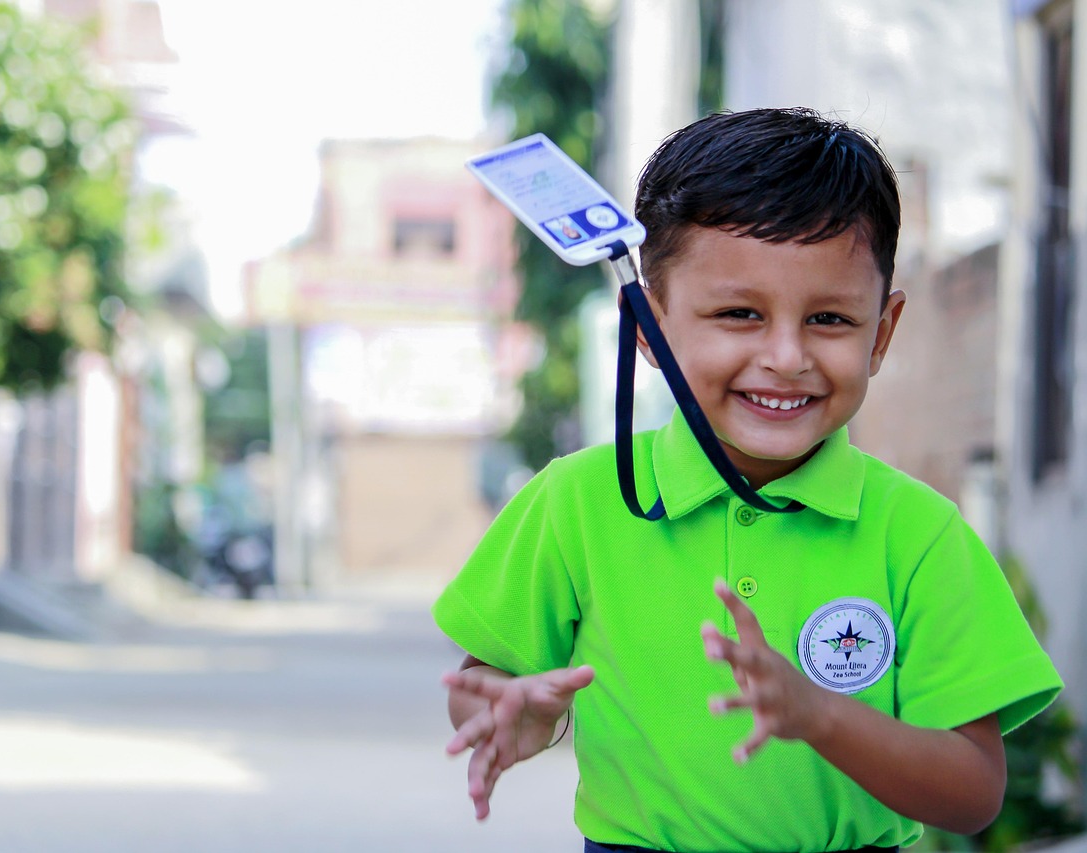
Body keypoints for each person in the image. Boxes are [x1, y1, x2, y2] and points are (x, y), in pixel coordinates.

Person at [432, 107, 1063, 853]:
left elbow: (973, 793)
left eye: (829, 318)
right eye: (739, 313)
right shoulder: (573, 502)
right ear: (649, 325)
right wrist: (518, 713)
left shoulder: (921, 534)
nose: (787, 356)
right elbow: (488, 688)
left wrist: (820, 714)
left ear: (882, 333)